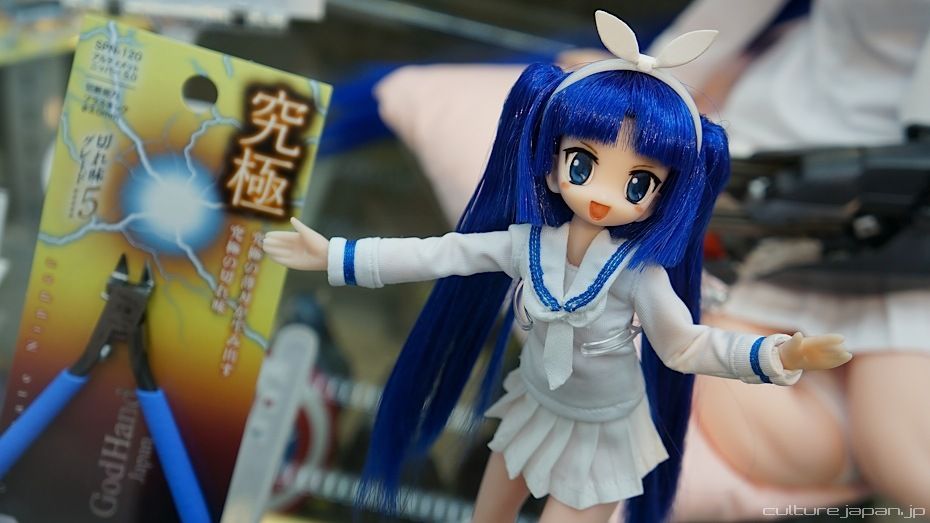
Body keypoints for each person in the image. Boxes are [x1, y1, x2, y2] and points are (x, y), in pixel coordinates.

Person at [263, 11, 851, 523]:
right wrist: (336, 256)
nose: (601, 195)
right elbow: (439, 254)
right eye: (582, 165)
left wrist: (774, 355)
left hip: (602, 434)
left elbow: (685, 347)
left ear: (661, 197)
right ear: (551, 164)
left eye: (637, 183)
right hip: (534, 409)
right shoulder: (526, 246)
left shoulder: (638, 275)